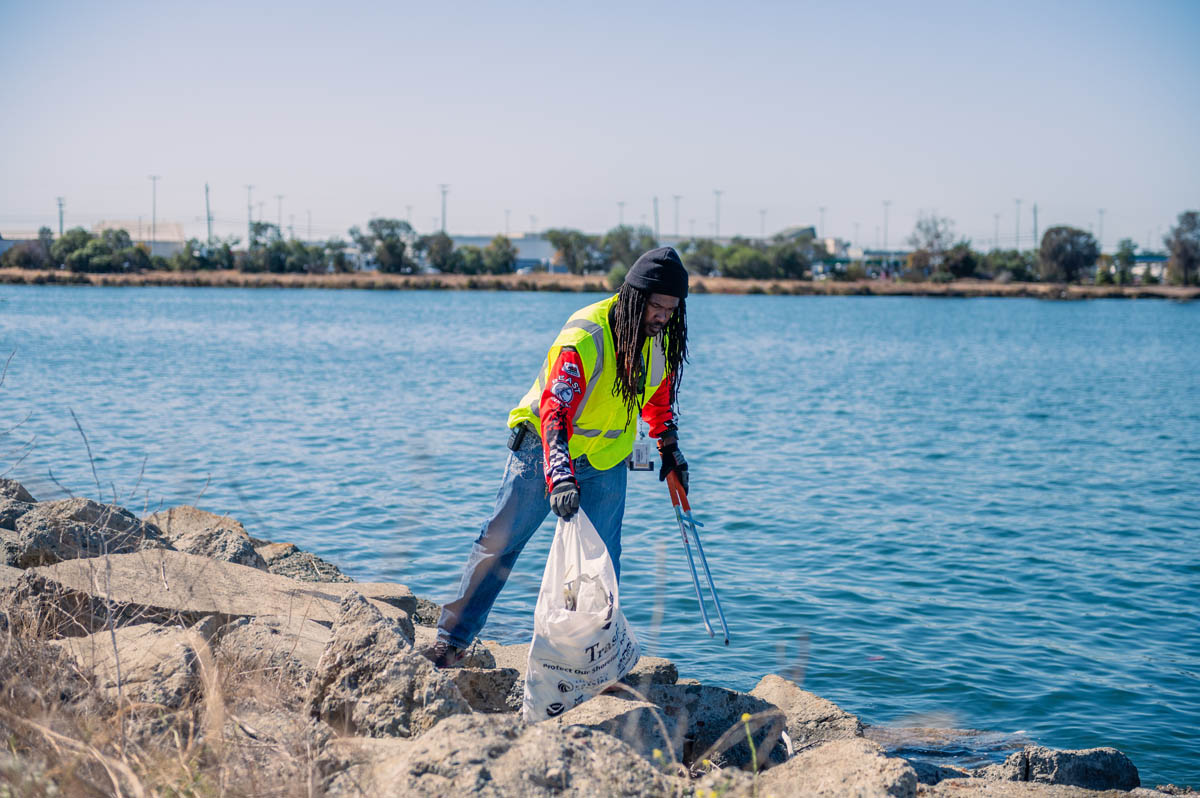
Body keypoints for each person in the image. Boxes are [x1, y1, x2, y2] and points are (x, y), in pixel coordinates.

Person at [422, 246, 692, 667]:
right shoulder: (586, 336)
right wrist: (560, 475)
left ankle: (587, 657)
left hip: (605, 460)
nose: (663, 316)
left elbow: (656, 398)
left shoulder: (662, 340)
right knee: (500, 545)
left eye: (672, 309)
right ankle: (450, 641)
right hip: (542, 449)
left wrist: (669, 450)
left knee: (599, 564)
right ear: (634, 297)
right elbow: (555, 411)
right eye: (656, 306)